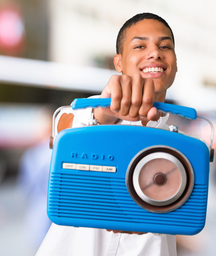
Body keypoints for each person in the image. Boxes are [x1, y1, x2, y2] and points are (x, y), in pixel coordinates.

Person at [36, 13, 178, 256]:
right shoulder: (91, 111)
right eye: (140, 46)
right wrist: (104, 111)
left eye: (165, 46)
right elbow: (68, 131)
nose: (155, 52)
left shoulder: (180, 141)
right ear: (119, 63)